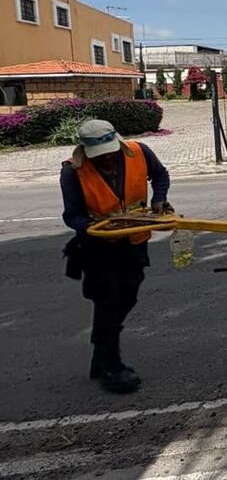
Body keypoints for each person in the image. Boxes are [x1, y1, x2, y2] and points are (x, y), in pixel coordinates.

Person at [60, 119, 171, 393]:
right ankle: (111, 366)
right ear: (86, 152)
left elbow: (160, 175)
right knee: (107, 301)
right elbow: (72, 216)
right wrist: (92, 228)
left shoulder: (139, 152)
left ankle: (101, 351)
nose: (107, 159)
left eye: (111, 153)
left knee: (128, 296)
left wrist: (159, 198)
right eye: (100, 157)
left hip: (134, 241)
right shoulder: (73, 172)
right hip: (98, 248)